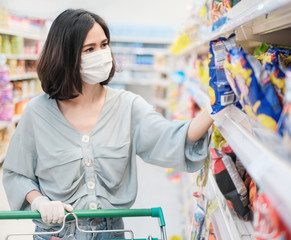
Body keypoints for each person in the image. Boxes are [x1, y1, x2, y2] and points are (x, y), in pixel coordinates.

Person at [2, 8, 215, 240]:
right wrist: (40, 201)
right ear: (65, 55)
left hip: (112, 232)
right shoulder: (37, 113)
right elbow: (15, 173)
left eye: (104, 45)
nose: (102, 54)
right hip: (56, 233)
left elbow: (174, 138)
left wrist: (216, 106)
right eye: (90, 49)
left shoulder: (127, 106)